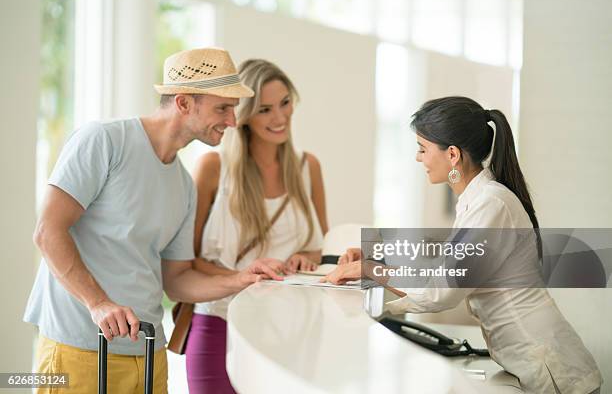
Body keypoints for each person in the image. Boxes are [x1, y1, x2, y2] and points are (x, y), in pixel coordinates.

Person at [23, 48, 281, 394]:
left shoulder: (184, 185)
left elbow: (177, 281)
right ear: (184, 103)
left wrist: (240, 279)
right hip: (79, 346)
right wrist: (98, 304)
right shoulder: (104, 141)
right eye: (223, 108)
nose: (233, 121)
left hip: (148, 354)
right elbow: (48, 232)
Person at [322, 96, 602, 393]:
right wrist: (375, 256)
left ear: (452, 154)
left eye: (422, 148)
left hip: (553, 371)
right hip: (536, 363)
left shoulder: (491, 204)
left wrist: (368, 269)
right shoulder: (478, 200)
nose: (419, 158)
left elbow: (442, 289)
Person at [186, 59, 328, 393]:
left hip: (291, 330)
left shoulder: (309, 168)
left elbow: (322, 246)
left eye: (284, 103)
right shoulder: (212, 168)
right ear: (243, 114)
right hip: (219, 324)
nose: (279, 118)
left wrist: (306, 255)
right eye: (264, 109)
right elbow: (189, 261)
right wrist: (243, 276)